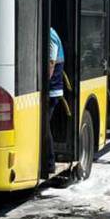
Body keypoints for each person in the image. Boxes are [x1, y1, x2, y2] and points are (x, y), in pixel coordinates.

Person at [43, 26, 65, 175]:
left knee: (44, 127)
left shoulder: (50, 36)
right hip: (51, 90)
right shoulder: (51, 34)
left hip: (51, 91)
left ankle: (50, 164)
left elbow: (50, 66)